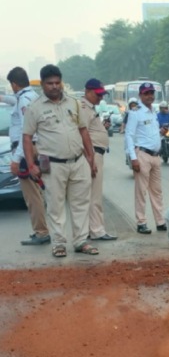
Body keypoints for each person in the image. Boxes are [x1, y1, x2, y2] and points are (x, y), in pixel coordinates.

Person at [21, 64, 98, 258]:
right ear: (42, 85)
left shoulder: (74, 103)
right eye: (50, 83)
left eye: (57, 82)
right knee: (55, 206)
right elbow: (27, 137)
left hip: (78, 161)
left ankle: (81, 241)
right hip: (53, 165)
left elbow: (83, 130)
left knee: (81, 203)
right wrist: (31, 164)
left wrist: (91, 157)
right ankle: (59, 244)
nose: (54, 87)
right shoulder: (34, 108)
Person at [4, 66, 48, 246]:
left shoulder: (23, 101)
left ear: (14, 84)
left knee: (32, 195)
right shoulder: (30, 96)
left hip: (26, 151)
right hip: (34, 148)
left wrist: (16, 160)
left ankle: (41, 232)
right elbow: (11, 100)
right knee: (37, 191)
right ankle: (42, 229)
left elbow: (25, 133)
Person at [124, 81, 166, 234]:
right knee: (141, 191)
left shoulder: (153, 111)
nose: (149, 96)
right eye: (146, 93)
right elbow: (129, 135)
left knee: (157, 191)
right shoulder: (135, 112)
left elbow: (152, 133)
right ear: (140, 95)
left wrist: (161, 133)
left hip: (155, 156)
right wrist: (133, 158)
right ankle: (141, 222)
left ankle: (160, 221)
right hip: (142, 155)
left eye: (151, 93)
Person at [81, 78, 117, 241]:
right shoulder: (83, 108)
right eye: (98, 94)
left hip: (95, 153)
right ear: (88, 91)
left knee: (92, 194)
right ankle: (97, 230)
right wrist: (90, 158)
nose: (101, 97)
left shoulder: (89, 107)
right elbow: (83, 133)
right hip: (93, 154)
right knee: (95, 194)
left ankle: (91, 229)